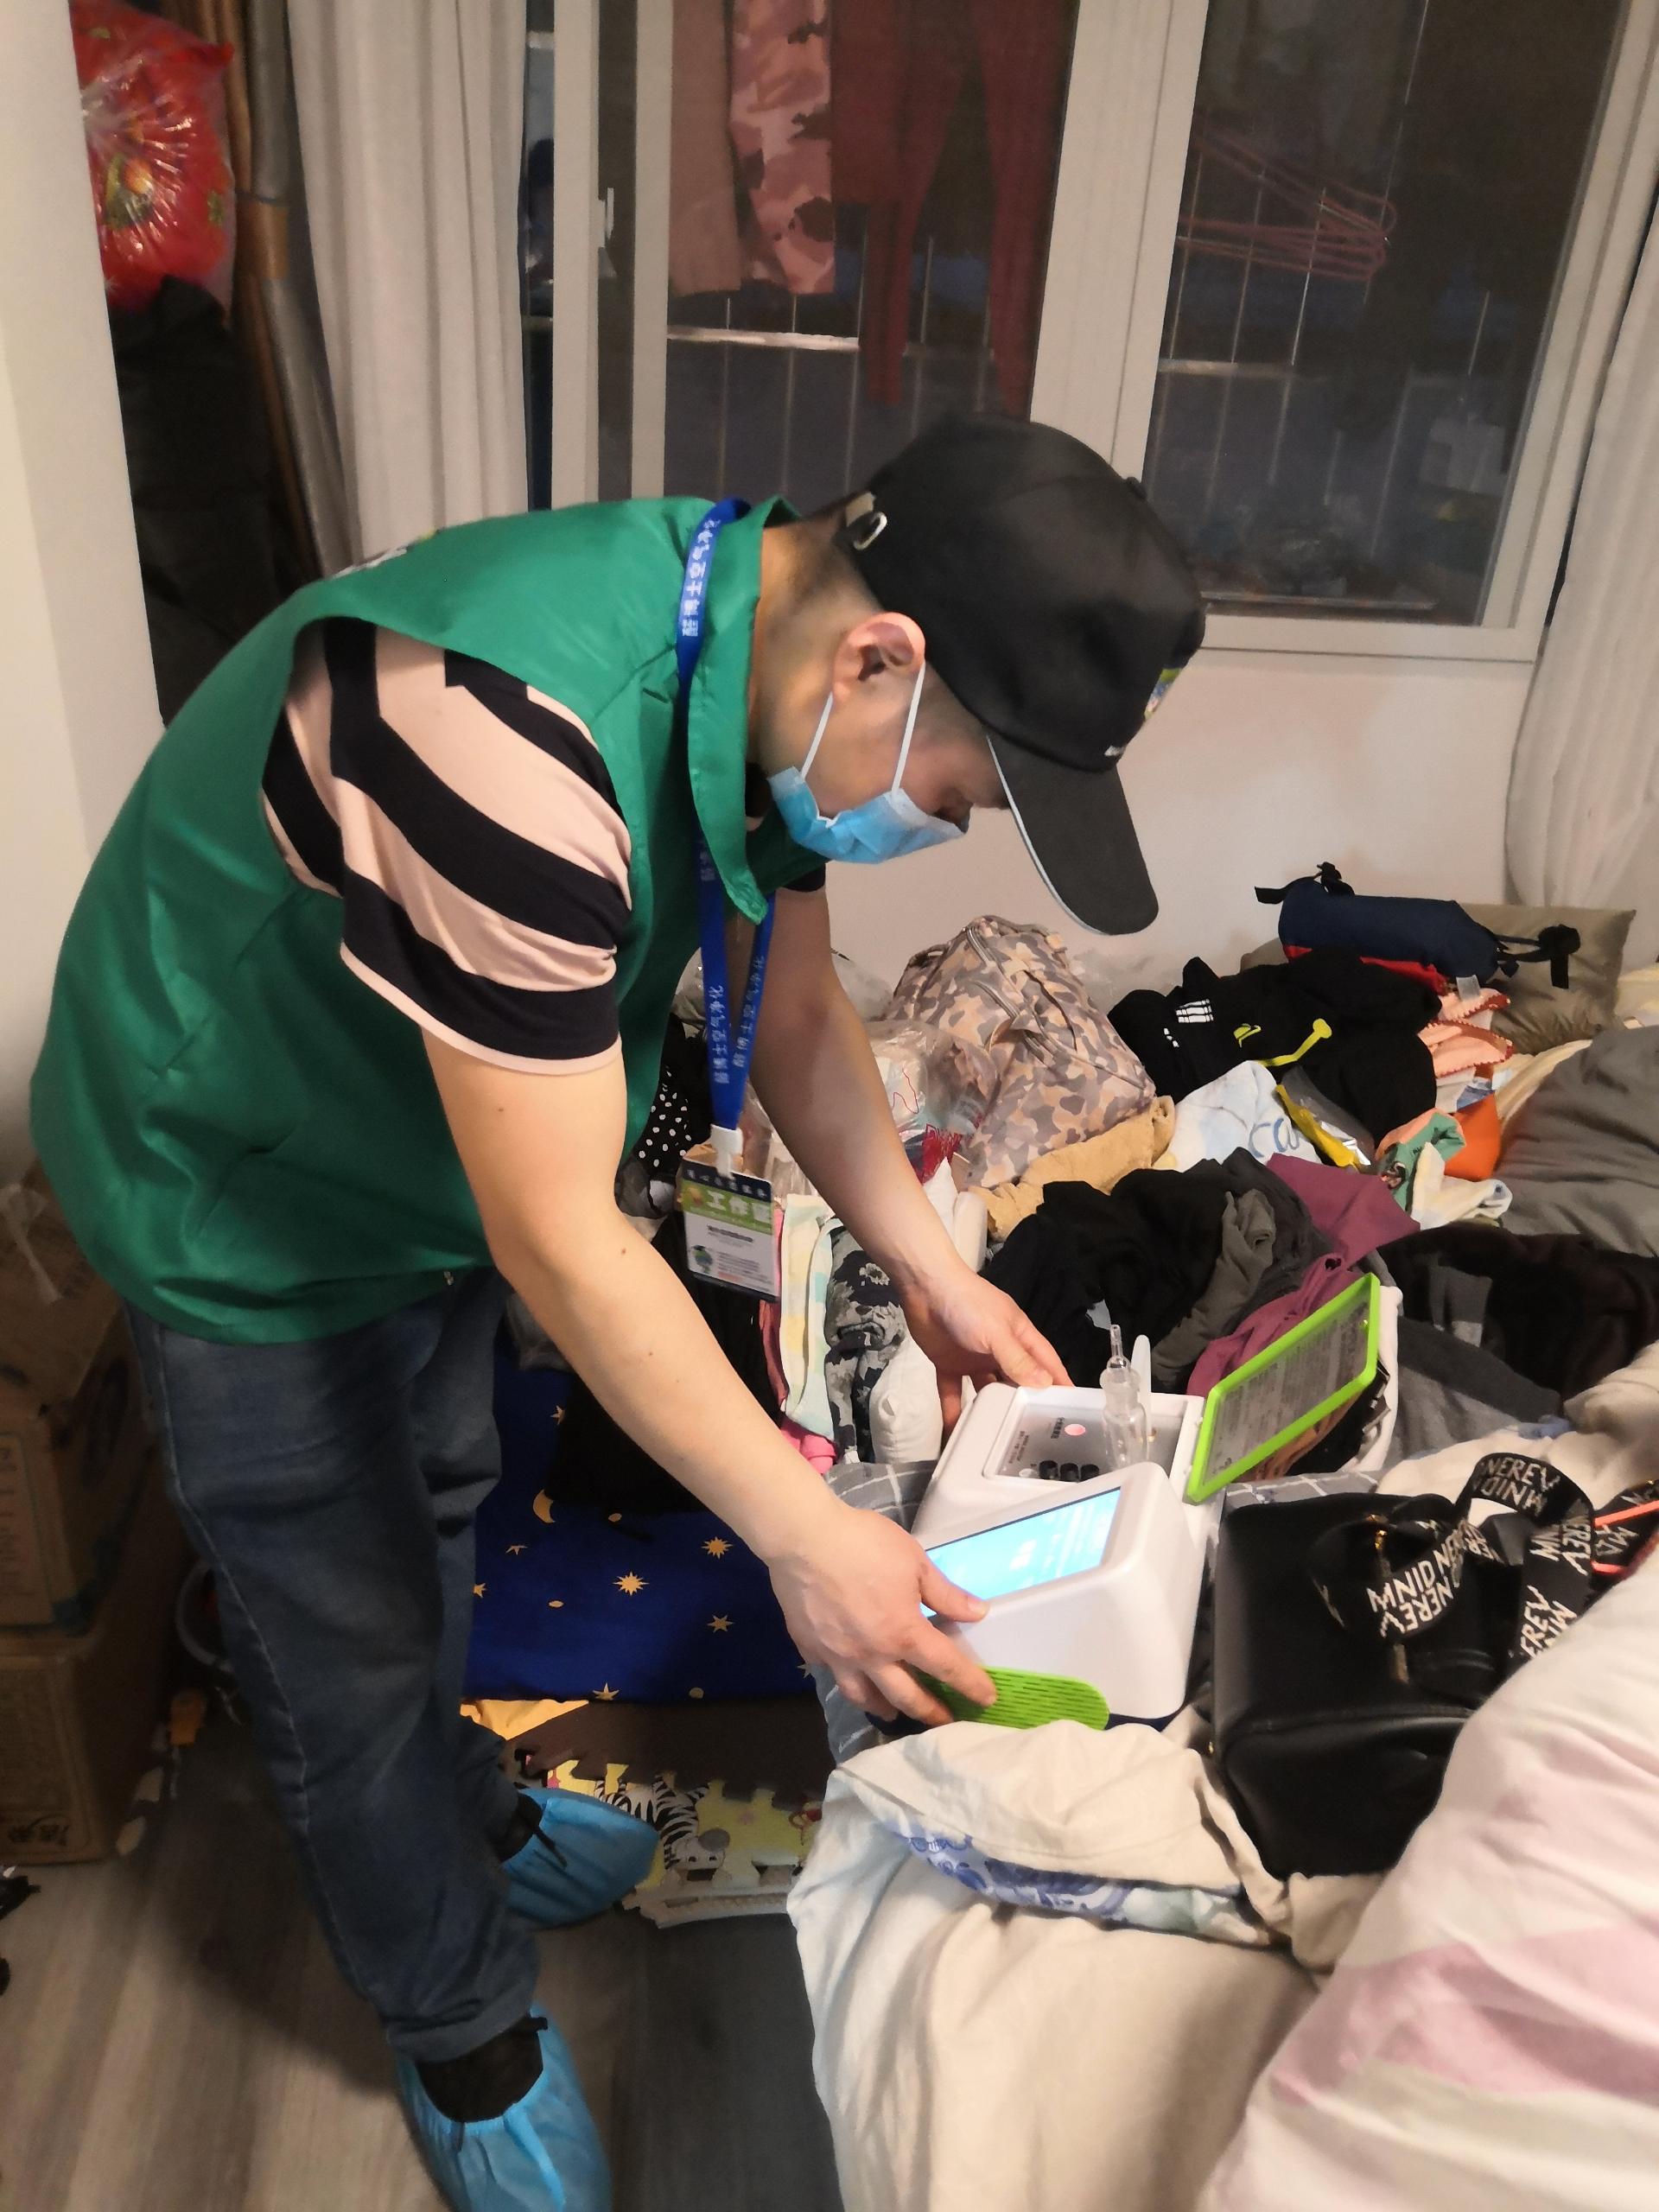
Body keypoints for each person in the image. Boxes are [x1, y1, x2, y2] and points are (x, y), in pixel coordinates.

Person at [32, 413, 1203, 2209]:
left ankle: (452, 1797)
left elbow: (793, 1011)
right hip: (234, 1169)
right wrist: (805, 1535)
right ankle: (457, 2018)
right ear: (881, 659)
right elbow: (568, 1246)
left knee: (437, 1490)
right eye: (971, 785)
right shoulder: (500, 738)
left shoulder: (753, 642)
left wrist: (934, 1266)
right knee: (339, 1622)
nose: (950, 822)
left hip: (418, 1150)